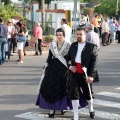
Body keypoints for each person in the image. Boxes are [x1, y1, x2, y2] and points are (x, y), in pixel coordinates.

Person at [36, 28, 88, 118]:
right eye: (57, 35)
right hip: (53, 68)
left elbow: (71, 58)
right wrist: (45, 68)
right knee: (51, 88)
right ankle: (52, 109)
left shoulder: (68, 45)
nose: (59, 37)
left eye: (60, 35)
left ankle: (63, 107)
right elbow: (49, 57)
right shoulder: (53, 45)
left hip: (64, 69)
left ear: (64, 35)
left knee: (64, 88)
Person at [67, 28, 98, 120]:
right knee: (74, 93)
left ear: (85, 35)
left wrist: (91, 76)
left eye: (80, 34)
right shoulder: (73, 45)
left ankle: (91, 108)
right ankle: (76, 116)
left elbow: (94, 62)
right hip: (74, 73)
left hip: (86, 74)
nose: (78, 36)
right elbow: (68, 58)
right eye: (77, 34)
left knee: (88, 93)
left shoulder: (91, 47)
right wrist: (70, 66)